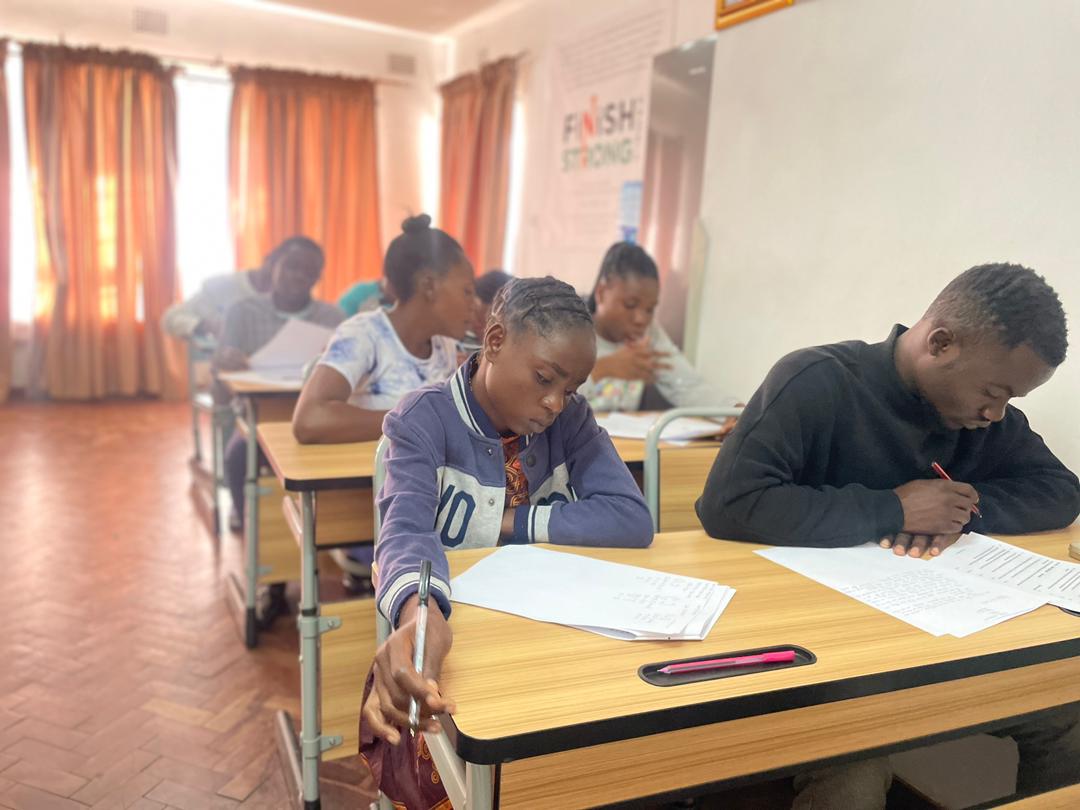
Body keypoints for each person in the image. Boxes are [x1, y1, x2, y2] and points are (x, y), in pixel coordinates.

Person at [697, 262, 1080, 808]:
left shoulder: (982, 420)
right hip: (823, 650)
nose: (996, 413)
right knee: (854, 772)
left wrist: (961, 509)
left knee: (1069, 712)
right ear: (941, 343)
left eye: (1011, 400)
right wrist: (892, 508)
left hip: (938, 633)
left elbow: (1062, 490)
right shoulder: (815, 380)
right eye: (993, 392)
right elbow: (730, 504)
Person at [358, 276, 654, 807]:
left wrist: (510, 523)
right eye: (544, 378)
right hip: (458, 644)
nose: (555, 403)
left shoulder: (571, 422)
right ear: (494, 341)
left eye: (570, 389)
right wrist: (420, 613)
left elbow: (630, 518)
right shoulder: (422, 421)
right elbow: (405, 532)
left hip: (548, 639)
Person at [292, 215, 475, 445]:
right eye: (467, 291)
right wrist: (412, 421)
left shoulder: (444, 346)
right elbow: (310, 420)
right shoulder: (364, 335)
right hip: (361, 477)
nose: (474, 304)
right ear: (429, 286)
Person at [218, 236, 343, 528]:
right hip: (257, 418)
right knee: (238, 456)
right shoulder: (242, 311)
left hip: (316, 416)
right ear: (272, 265)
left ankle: (325, 533)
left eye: (309, 271)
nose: (299, 276)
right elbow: (220, 388)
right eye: (291, 266)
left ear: (317, 277)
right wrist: (223, 364)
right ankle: (254, 533)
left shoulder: (332, 317)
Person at [583, 242, 739, 423]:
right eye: (630, 305)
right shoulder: (571, 330)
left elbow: (687, 385)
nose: (641, 319)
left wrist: (736, 413)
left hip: (623, 444)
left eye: (650, 309)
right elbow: (549, 393)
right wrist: (604, 368)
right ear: (601, 293)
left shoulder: (649, 334)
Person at [161, 256, 273, 340]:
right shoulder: (222, 286)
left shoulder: (286, 301)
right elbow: (170, 318)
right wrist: (206, 325)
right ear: (268, 262)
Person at [460, 269, 513, 352]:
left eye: (488, 321)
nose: (475, 323)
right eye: (474, 312)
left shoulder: (511, 346)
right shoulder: (457, 333)